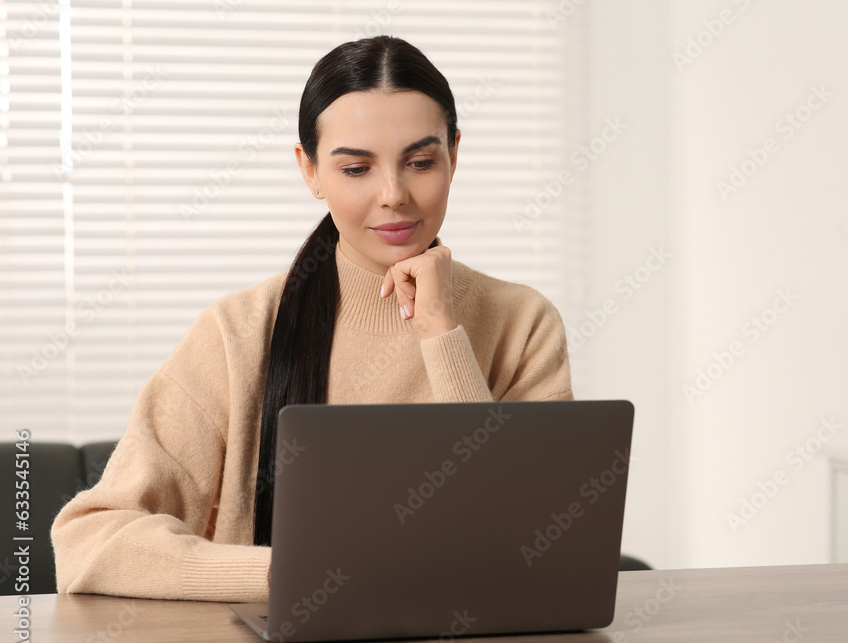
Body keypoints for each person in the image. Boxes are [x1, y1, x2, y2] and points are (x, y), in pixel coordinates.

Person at [50, 35, 573, 603]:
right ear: (310, 171)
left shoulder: (523, 323)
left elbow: (537, 546)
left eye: (421, 162)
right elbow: (88, 541)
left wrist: (442, 332)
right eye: (356, 169)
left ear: (455, 155)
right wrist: (291, 576)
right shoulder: (236, 333)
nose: (393, 195)